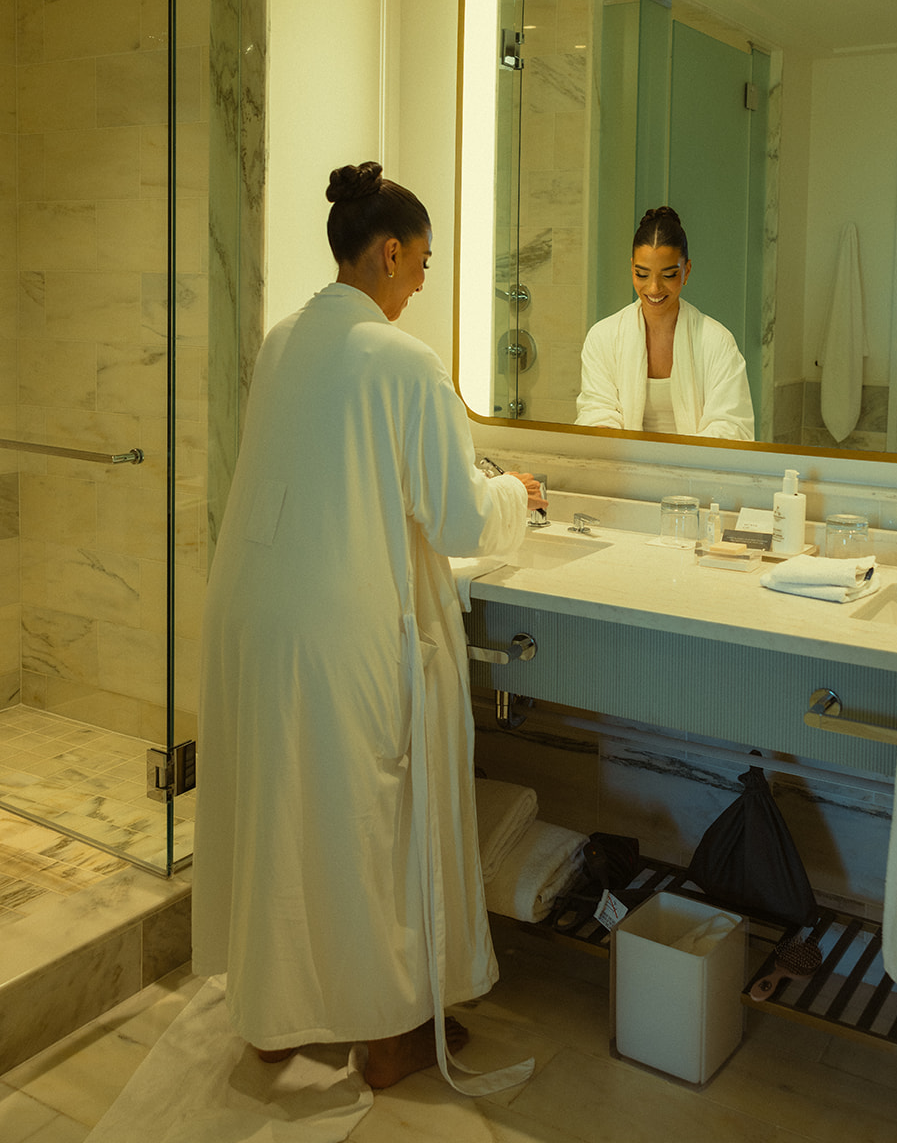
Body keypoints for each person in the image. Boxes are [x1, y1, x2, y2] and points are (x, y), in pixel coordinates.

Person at [192, 161, 543, 1093]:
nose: (423, 282)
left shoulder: (283, 340)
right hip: (342, 629)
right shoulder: (401, 359)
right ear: (388, 252)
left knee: (281, 814)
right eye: (423, 262)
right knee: (368, 825)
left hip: (253, 614)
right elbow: (460, 521)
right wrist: (516, 493)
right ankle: (388, 1035)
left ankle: (273, 1018)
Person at [575, 205, 755, 439]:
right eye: (642, 274)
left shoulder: (716, 342)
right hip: (623, 467)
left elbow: (731, 426)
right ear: (631, 268)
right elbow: (596, 412)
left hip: (694, 471)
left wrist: (676, 467)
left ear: (687, 271)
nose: (653, 288)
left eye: (668, 275)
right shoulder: (603, 337)